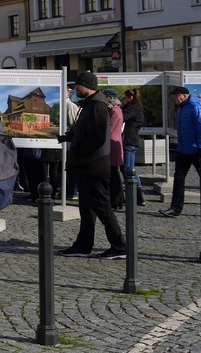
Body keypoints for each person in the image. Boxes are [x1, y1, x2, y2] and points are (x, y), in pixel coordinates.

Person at [57, 71, 126, 259]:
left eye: (77, 86)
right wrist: (66, 137)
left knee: (102, 207)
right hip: (87, 165)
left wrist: (78, 150)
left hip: (93, 165)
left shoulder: (97, 106)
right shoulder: (91, 104)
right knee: (86, 208)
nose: (75, 89)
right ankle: (83, 245)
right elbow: (85, 132)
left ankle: (120, 246)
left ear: (85, 85)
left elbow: (96, 138)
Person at [158, 86, 201, 218]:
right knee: (179, 179)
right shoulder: (180, 109)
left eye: (177, 95)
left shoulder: (195, 107)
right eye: (174, 95)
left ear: (185, 95)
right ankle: (175, 208)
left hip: (197, 150)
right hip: (183, 149)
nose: (174, 98)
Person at [120, 88, 146, 206]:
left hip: (130, 141)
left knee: (128, 169)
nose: (123, 100)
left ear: (130, 98)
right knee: (130, 169)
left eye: (124, 98)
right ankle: (139, 197)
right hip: (131, 140)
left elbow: (122, 117)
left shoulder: (132, 108)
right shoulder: (135, 106)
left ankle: (136, 197)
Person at [104, 90, 125, 209]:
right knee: (114, 173)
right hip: (113, 144)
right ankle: (119, 199)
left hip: (113, 145)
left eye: (106, 97)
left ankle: (116, 200)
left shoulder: (115, 111)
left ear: (111, 98)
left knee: (114, 174)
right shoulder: (115, 110)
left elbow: (109, 128)